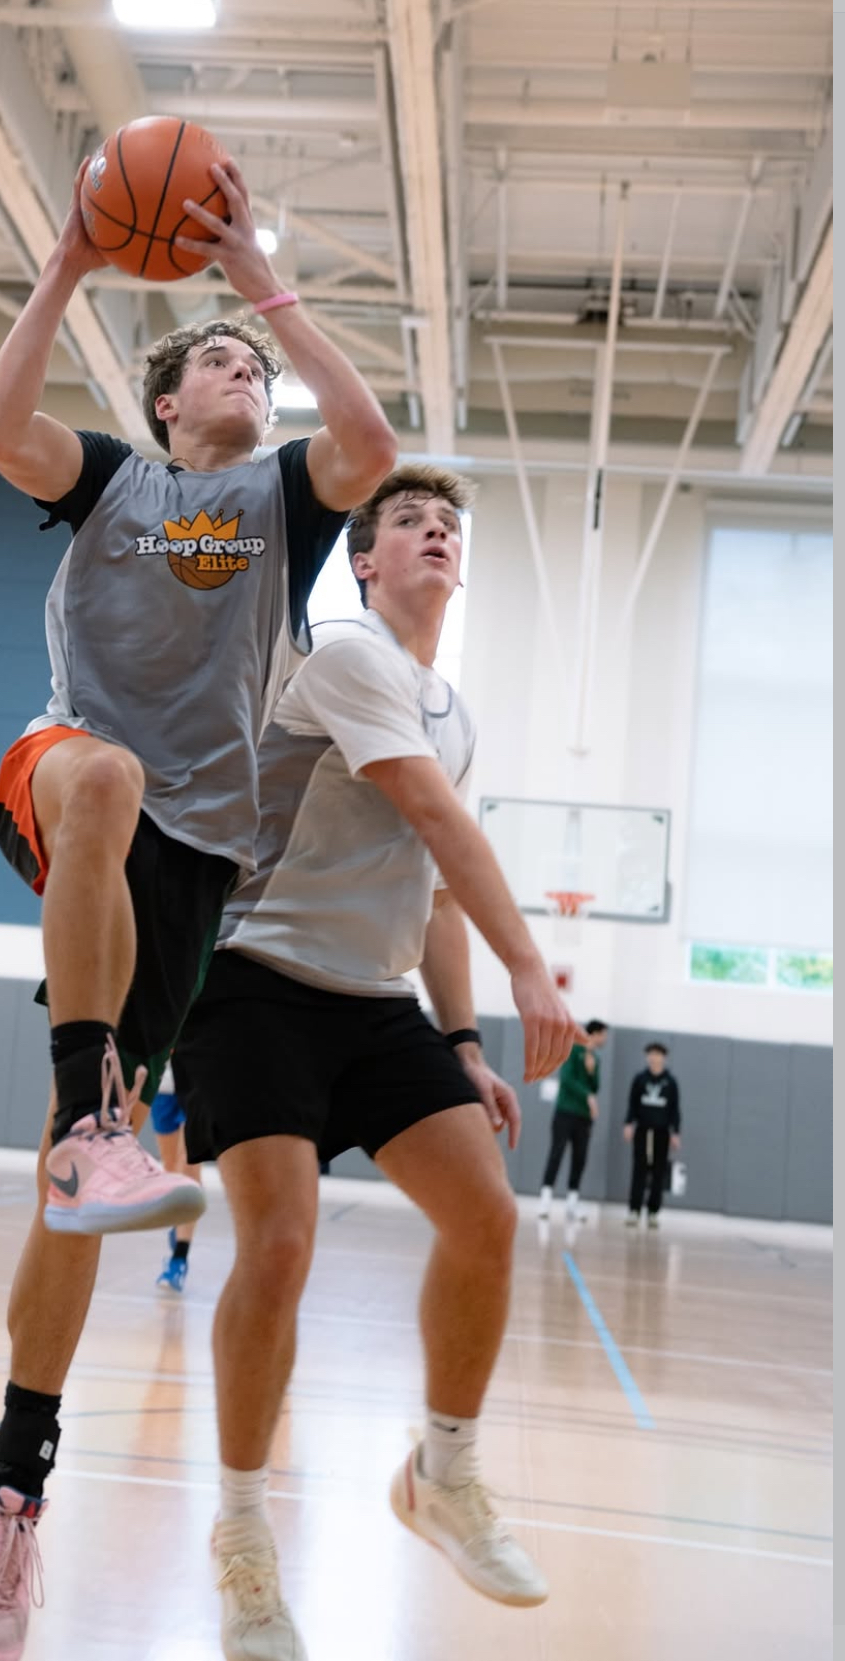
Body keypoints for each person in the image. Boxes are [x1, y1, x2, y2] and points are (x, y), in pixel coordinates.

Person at [0, 154, 396, 1661]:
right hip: (66, 774)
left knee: (70, 1200)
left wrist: (263, 280)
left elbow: (372, 440)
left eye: (256, 365)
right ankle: (96, 1111)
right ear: (162, 401)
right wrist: (69, 264)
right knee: (108, 771)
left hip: (195, 859)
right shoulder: (109, 480)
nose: (246, 371)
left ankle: (11, 1482)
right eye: (220, 358)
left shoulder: (283, 498)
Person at [171, 465, 584, 1658]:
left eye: (448, 522)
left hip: (372, 997)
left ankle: (441, 1473)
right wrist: (532, 966)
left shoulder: (453, 709)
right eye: (409, 520)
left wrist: (463, 1041)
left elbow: (437, 887)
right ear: (365, 561)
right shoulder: (346, 654)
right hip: (253, 981)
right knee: (280, 1241)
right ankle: (244, 1536)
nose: (436, 531)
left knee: (485, 1214)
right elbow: (441, 821)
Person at [537, 1018, 608, 1222]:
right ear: (594, 1034)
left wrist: (592, 1072)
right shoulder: (573, 1050)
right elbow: (567, 1079)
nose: (605, 1039)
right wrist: (587, 1096)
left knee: (580, 1158)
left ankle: (572, 1203)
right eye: (603, 1035)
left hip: (584, 1117)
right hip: (565, 1112)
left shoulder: (595, 1058)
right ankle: (545, 1201)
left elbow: (595, 1087)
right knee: (556, 1153)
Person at [150, 1059, 201, 1293]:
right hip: (163, 1084)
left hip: (197, 1081)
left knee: (187, 1165)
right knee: (171, 1168)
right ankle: (179, 1223)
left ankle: (179, 1257)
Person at [624, 1041, 681, 1228]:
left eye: (658, 1054)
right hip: (642, 1130)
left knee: (658, 1172)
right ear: (647, 1057)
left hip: (662, 1132)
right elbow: (632, 1104)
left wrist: (675, 1132)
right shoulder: (640, 1079)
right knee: (639, 1170)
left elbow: (674, 1109)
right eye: (651, 1054)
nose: (654, 1058)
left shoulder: (670, 1082)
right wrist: (628, 1123)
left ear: (664, 1058)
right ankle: (634, 1210)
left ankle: (653, 1212)